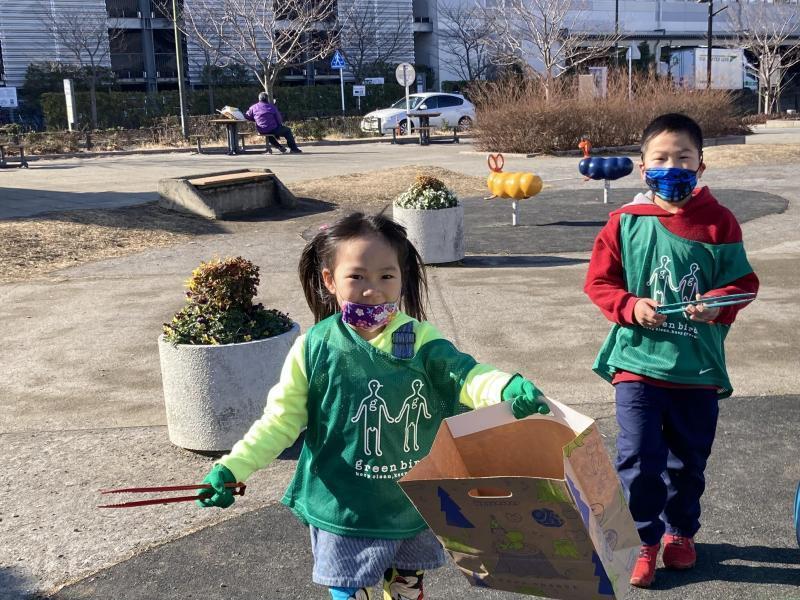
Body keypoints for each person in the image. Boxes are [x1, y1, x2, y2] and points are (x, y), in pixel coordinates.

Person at [196, 212, 551, 600]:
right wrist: (232, 466)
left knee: (406, 589)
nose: (373, 290)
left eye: (386, 276)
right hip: (344, 508)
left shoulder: (420, 340)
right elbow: (280, 422)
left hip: (408, 504)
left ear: (402, 277)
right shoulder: (314, 348)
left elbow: (463, 374)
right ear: (329, 280)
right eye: (357, 276)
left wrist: (503, 388)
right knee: (350, 594)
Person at [584, 113, 759, 588]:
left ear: (701, 167)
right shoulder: (625, 222)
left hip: (696, 370)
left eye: (683, 158)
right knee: (639, 457)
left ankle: (680, 531)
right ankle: (644, 537)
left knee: (688, 460)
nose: (672, 167)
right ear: (643, 168)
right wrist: (630, 305)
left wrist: (718, 303)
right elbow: (599, 282)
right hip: (637, 364)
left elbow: (743, 283)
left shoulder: (719, 223)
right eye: (661, 158)